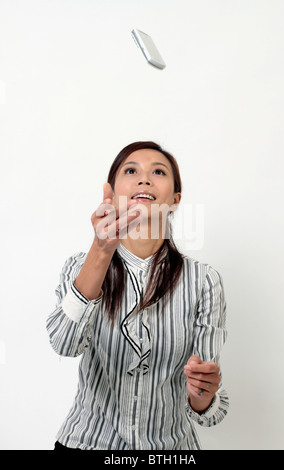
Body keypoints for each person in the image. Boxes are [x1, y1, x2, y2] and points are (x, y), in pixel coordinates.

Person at [47, 141, 229, 451]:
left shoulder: (203, 281)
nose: (144, 179)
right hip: (88, 443)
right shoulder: (80, 266)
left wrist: (204, 394)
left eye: (158, 171)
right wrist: (101, 250)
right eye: (131, 171)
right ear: (114, 192)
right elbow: (64, 344)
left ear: (174, 200)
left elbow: (205, 409)